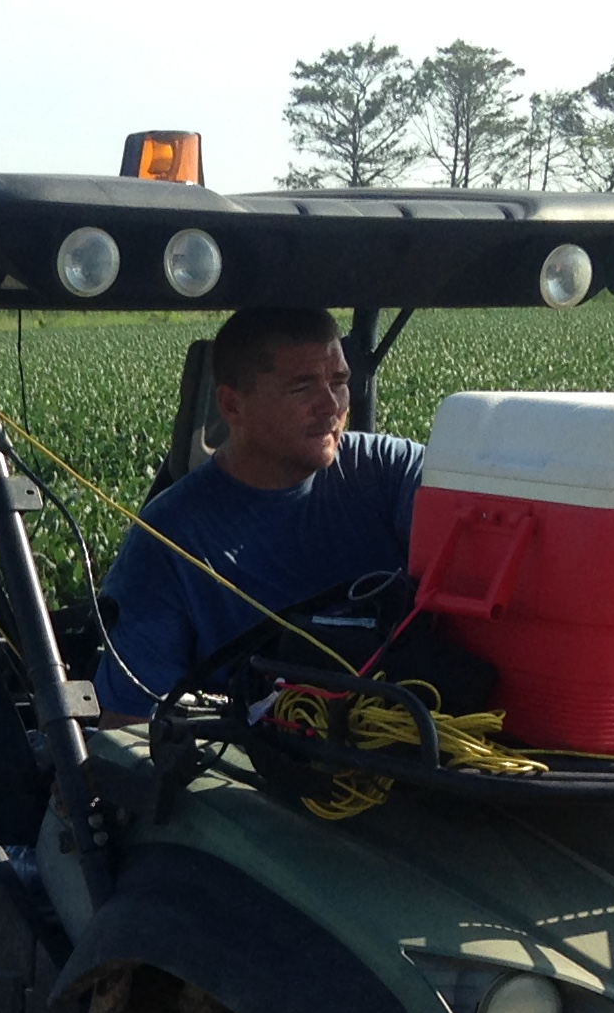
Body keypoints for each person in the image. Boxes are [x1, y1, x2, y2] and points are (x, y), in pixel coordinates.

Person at [90, 305, 425, 718]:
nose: (332, 405)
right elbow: (129, 726)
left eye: (339, 381)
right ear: (232, 406)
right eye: (302, 387)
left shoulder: (389, 472)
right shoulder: (168, 541)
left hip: (415, 741)